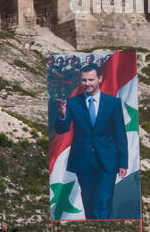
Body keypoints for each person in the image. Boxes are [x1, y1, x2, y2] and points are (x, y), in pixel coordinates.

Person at [53, 63, 128, 220]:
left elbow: (120, 134)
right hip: (83, 160)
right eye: (84, 80)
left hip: (107, 160)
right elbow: (62, 129)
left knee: (103, 201)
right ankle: (94, 228)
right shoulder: (73, 103)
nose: (87, 84)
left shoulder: (113, 103)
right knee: (88, 201)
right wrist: (62, 115)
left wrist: (123, 162)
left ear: (100, 79)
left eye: (91, 80)